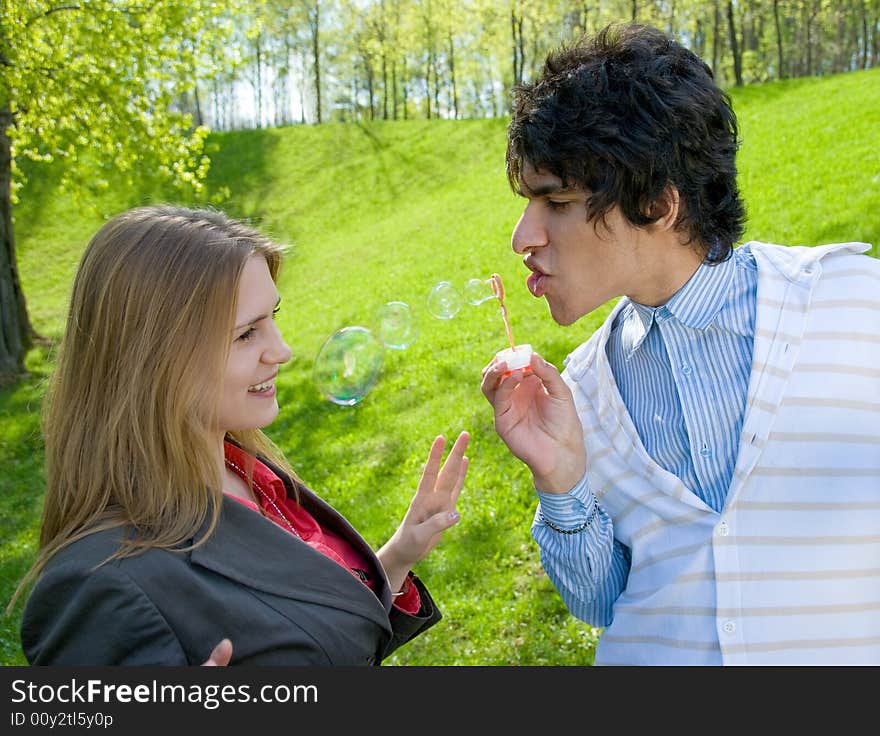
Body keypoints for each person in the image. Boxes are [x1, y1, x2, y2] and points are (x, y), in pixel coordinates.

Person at [481, 22, 880, 665]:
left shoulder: (856, 304)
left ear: (657, 204)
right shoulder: (580, 384)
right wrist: (560, 481)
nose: (523, 236)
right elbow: (599, 602)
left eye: (554, 202)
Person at [15, 204, 470, 665]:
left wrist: (393, 560)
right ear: (153, 362)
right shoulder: (98, 587)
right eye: (246, 334)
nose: (282, 350)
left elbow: (314, 644)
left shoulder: (248, 474)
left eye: (272, 317)